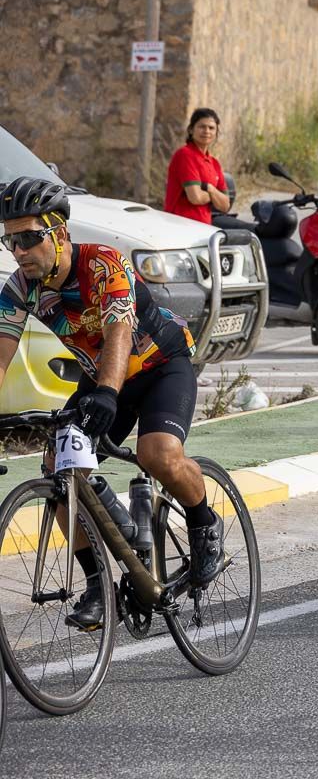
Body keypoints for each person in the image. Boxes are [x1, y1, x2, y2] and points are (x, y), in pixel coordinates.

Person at [0, 177, 221, 629]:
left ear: (59, 233)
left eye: (28, 238)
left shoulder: (104, 263)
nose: (19, 251)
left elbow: (119, 330)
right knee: (59, 469)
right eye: (9, 240)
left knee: (156, 453)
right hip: (103, 377)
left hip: (160, 364)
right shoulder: (20, 288)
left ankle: (204, 523)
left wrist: (107, 392)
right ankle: (98, 586)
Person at [164, 108, 231, 225]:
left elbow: (225, 205)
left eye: (211, 128)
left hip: (204, 228)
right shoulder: (185, 155)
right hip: (179, 227)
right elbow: (195, 198)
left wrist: (210, 188)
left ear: (216, 132)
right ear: (191, 130)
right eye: (202, 127)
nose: (206, 131)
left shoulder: (214, 163)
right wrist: (216, 197)